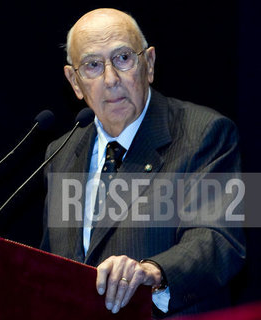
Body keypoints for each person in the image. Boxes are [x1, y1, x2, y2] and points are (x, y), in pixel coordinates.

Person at [40, 8, 246, 317]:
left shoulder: (209, 131)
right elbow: (50, 265)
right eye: (93, 65)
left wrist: (151, 272)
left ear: (148, 64)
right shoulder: (61, 154)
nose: (111, 79)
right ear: (75, 82)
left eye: (123, 58)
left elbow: (220, 239)